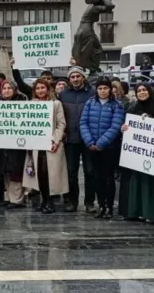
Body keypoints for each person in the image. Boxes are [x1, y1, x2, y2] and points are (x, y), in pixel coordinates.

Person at [80, 77, 124, 219]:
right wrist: (90, 142)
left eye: (105, 88)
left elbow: (115, 126)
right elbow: (83, 123)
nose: (103, 91)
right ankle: (101, 205)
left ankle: (109, 206)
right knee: (97, 178)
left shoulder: (116, 105)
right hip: (92, 147)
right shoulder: (90, 103)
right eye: (100, 88)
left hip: (109, 148)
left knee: (108, 178)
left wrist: (102, 143)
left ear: (110, 89)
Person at [23, 79, 68, 214]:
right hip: (36, 144)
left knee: (50, 174)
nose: (40, 90)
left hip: (51, 144)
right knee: (40, 174)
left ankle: (50, 201)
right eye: (37, 88)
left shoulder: (56, 104)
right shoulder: (31, 105)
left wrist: (56, 141)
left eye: (43, 88)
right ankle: (43, 199)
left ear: (48, 89)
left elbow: (61, 124)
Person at [120, 83, 154, 223]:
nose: (142, 92)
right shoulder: (132, 107)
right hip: (136, 153)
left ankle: (150, 213)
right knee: (135, 180)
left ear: (150, 91)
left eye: (144, 90)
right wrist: (125, 128)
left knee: (149, 182)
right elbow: (127, 125)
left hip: (152, 152)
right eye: (139, 91)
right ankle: (135, 211)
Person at [58, 66, 96, 213]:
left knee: (90, 172)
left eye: (78, 76)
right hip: (71, 140)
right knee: (71, 172)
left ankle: (90, 202)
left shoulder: (93, 93)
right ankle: (72, 201)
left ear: (83, 77)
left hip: (88, 139)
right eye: (72, 77)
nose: (75, 79)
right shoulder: (63, 94)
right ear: (69, 79)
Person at [0, 81, 28, 208]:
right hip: (3, 143)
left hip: (17, 142)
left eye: (9, 88)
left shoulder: (22, 102)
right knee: (5, 171)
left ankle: (17, 199)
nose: (7, 90)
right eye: (4, 88)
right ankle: (8, 197)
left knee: (16, 170)